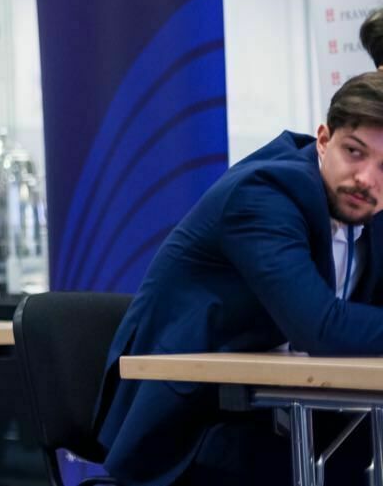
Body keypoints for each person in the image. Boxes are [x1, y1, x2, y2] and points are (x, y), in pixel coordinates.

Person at [95, 70, 383, 486]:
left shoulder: (367, 206)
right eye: (354, 152)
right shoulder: (265, 194)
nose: (366, 178)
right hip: (192, 428)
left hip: (281, 415)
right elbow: (319, 327)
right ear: (323, 140)